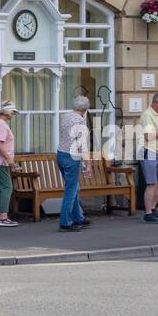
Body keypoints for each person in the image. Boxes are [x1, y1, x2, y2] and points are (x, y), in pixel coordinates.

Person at [56, 94, 94, 231]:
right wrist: (88, 164)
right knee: (71, 191)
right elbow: (82, 145)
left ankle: (78, 218)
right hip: (72, 158)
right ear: (85, 109)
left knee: (74, 187)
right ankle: (65, 222)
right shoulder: (80, 121)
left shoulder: (66, 116)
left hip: (60, 155)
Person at [137, 92, 158, 223]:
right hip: (147, 150)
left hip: (156, 151)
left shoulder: (157, 115)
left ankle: (152, 207)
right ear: (156, 103)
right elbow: (148, 136)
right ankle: (148, 213)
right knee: (152, 183)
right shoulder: (147, 115)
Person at [0, 102, 20, 226]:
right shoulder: (1, 124)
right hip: (1, 161)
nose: (13, 114)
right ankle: (3, 217)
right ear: (5, 111)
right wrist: (10, 160)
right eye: (12, 112)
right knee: (7, 187)